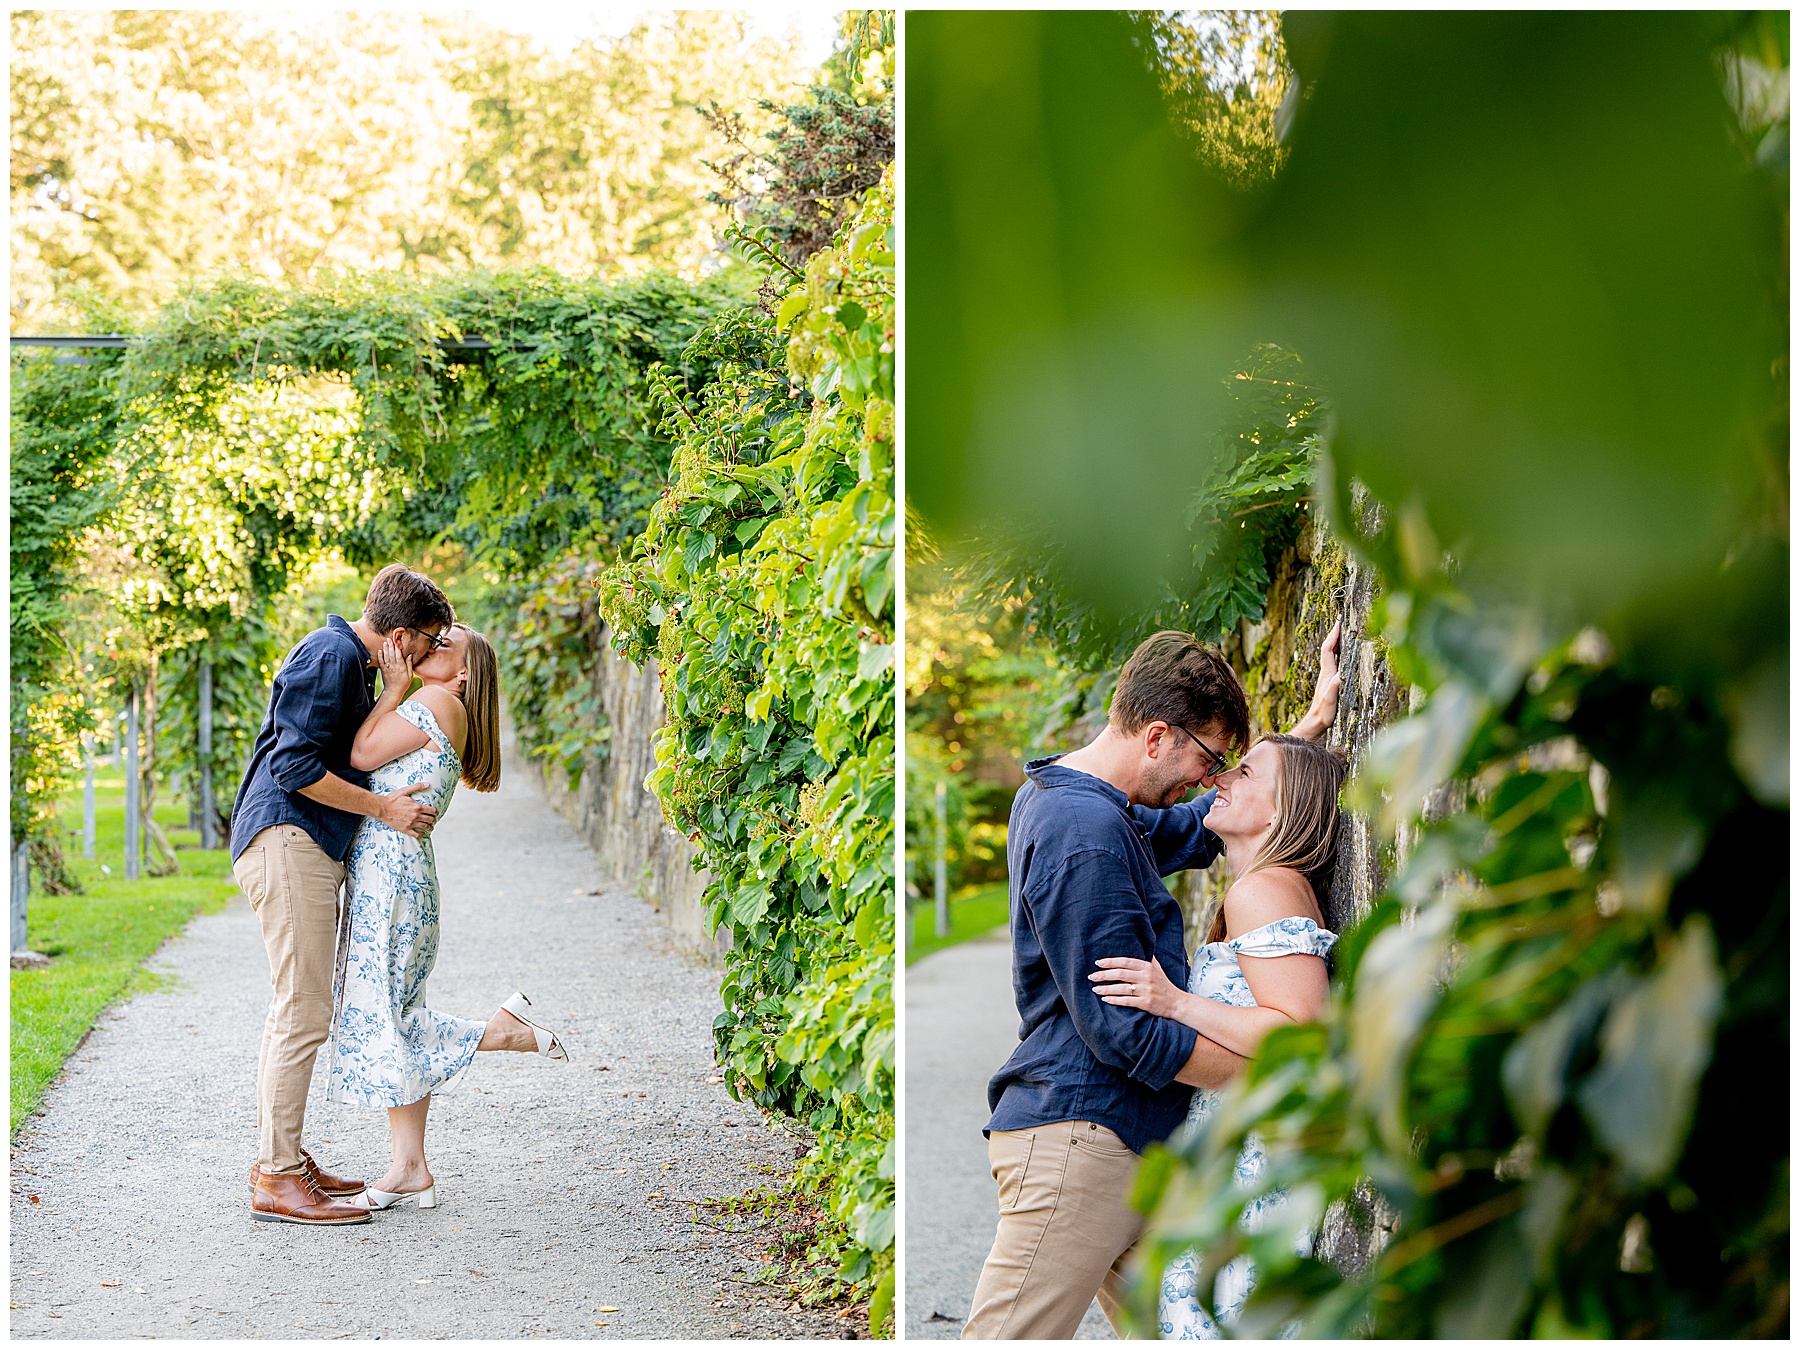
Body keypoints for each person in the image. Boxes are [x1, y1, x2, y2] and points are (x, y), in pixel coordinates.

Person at [961, 621, 1341, 1339]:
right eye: (1210, 757)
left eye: (1230, 764)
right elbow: (1124, 1028)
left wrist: (1309, 730)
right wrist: (1275, 1070)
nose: (1211, 777)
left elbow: (1212, 825)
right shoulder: (1082, 828)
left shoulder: (1099, 811)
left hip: (1121, 1145)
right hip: (1080, 1144)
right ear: (1159, 736)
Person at [1089, 732, 1346, 1338]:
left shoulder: (1262, 889)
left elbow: (1299, 1030)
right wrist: (1312, 720)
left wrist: (1173, 1003)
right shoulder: (1266, 886)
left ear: (1285, 810)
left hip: (1256, 1162)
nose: (1219, 780)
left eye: (1245, 774)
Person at [231, 563, 453, 1226]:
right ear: (404, 635)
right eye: (429, 642)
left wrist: (390, 690)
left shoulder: (353, 666)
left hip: (304, 843)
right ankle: (275, 1177)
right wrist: (382, 810)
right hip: (285, 836)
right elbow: (292, 767)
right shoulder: (329, 655)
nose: (427, 658)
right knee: (301, 1011)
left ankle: (287, 1161)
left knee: (301, 1006)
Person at [327, 622, 568, 1211]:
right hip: (399, 872)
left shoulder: (435, 699)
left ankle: (500, 1032)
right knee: (395, 1013)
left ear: (463, 675)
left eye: (445, 645)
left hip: (393, 877)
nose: (432, 645)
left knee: (389, 1016)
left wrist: (392, 686)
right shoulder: (440, 703)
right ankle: (410, 1167)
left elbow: (359, 754)